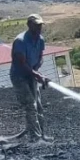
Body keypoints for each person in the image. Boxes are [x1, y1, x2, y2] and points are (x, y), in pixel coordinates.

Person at [10, 14, 48, 142]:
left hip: (31, 74)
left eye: (40, 25)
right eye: (36, 25)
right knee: (31, 106)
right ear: (29, 25)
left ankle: (42, 135)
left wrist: (37, 70)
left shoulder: (40, 39)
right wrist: (35, 74)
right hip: (20, 77)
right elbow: (21, 63)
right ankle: (35, 139)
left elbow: (41, 56)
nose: (39, 27)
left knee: (38, 106)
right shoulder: (20, 41)